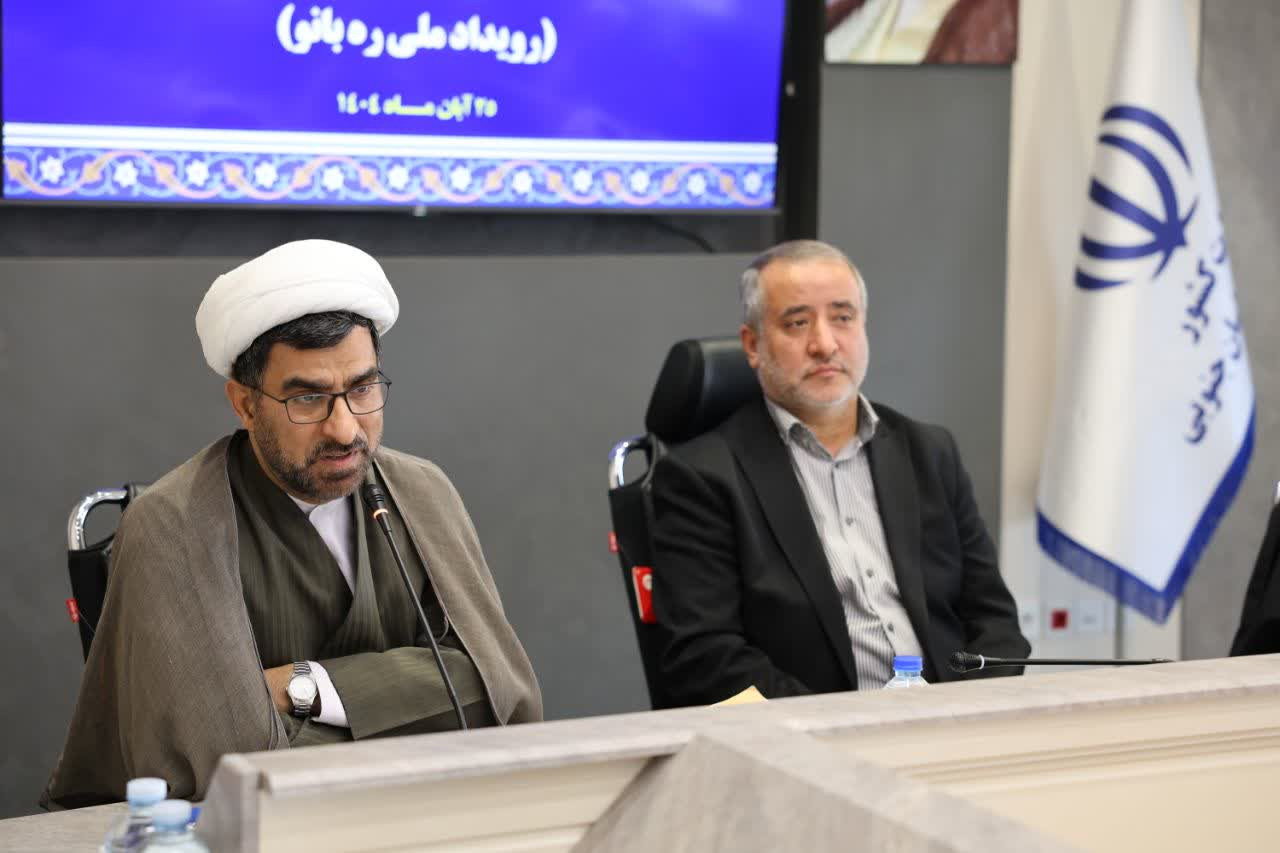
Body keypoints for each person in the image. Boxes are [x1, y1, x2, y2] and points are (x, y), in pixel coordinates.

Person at [44, 240, 541, 808]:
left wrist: (300, 687)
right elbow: (226, 762)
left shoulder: (422, 491)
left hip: (426, 813)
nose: (345, 429)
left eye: (363, 389)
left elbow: (498, 692)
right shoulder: (173, 525)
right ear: (245, 404)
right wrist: (410, 714)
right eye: (307, 399)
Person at [650, 240, 1029, 706]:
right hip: (808, 734)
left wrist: (973, 713)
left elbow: (994, 621)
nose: (825, 344)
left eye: (843, 317)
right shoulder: (700, 478)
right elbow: (705, 659)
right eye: (797, 322)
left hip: (954, 722)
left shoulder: (928, 452)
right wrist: (839, 725)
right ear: (752, 345)